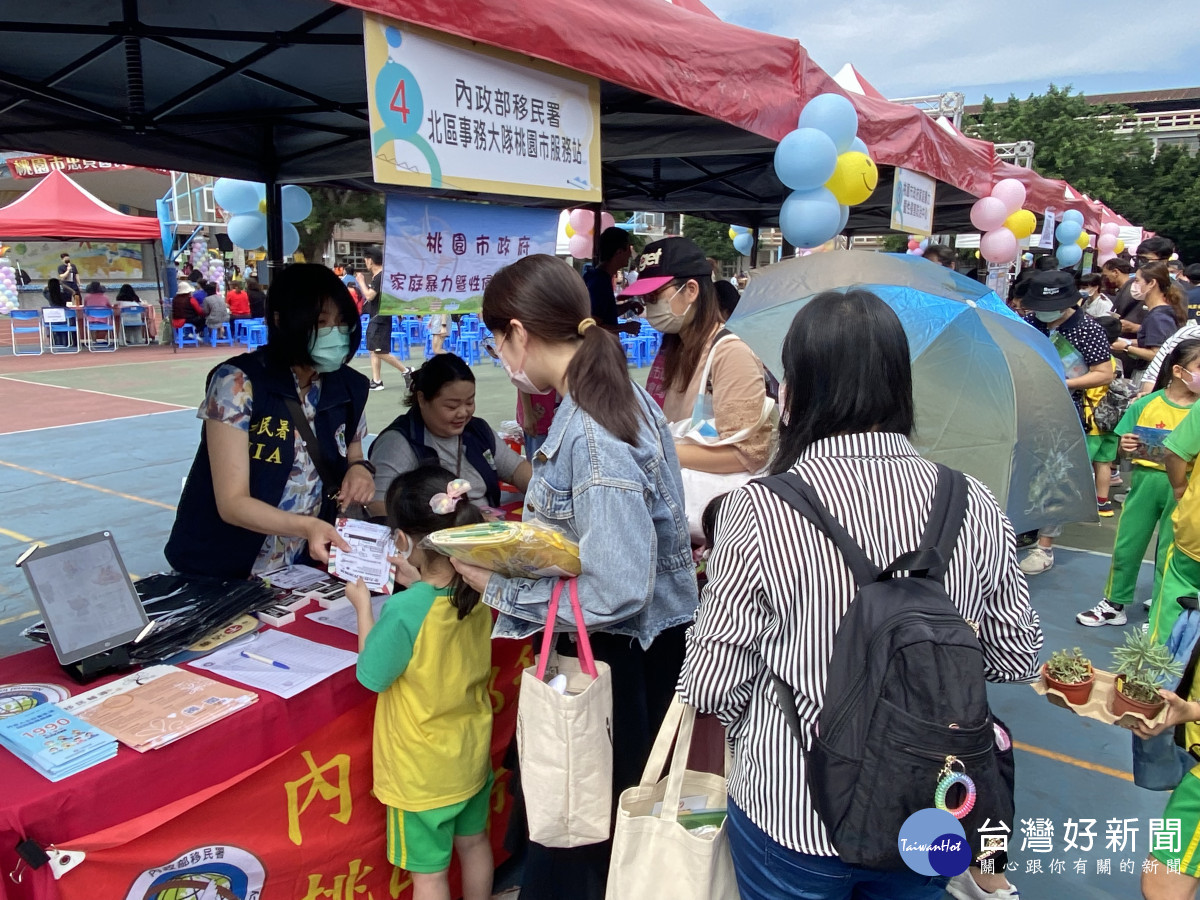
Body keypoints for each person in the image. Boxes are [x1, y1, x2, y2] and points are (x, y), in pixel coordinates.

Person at [677, 288, 1042, 900]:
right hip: (927, 806)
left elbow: (712, 681)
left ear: (795, 392)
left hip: (790, 809)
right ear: (900, 386)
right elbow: (1015, 656)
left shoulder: (758, 508)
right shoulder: (971, 502)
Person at [455, 253, 698, 900]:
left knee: (577, 845)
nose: (499, 354)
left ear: (518, 333)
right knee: (602, 840)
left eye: (496, 340)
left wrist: (496, 586)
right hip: (634, 655)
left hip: (617, 664)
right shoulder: (612, 400)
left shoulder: (593, 431)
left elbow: (617, 587)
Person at [164, 264, 372, 579]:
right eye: (321, 322)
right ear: (281, 321)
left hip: (300, 567)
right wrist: (307, 526)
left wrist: (359, 470)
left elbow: (353, 451)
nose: (335, 332)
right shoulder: (237, 383)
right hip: (225, 568)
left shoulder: (348, 387)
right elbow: (232, 503)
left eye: (342, 322)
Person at [346, 466, 494, 900]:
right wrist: (416, 581)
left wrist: (362, 608)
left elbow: (371, 674)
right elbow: (438, 601)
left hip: (420, 771)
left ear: (405, 539)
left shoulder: (405, 610)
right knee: (475, 843)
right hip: (469, 753)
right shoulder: (479, 593)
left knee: (429, 874)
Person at [619, 237, 773, 519]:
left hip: (714, 518)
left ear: (691, 290)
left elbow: (749, 454)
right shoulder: (673, 348)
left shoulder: (730, 353)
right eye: (643, 299)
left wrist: (660, 451)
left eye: (654, 297)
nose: (647, 307)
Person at [1078, 340, 1200, 628]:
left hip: (1185, 489)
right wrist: (1127, 446)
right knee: (1128, 544)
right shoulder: (1147, 403)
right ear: (1179, 370)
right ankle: (1114, 602)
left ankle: (1163, 609)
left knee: (1172, 551)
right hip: (1145, 482)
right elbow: (1122, 449)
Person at [1019, 270, 1115, 575]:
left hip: (1066, 412)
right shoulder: (1030, 323)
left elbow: (1104, 373)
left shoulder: (1088, 329)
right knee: (1026, 471)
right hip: (1028, 409)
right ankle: (1025, 527)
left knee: (1055, 476)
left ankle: (1045, 545)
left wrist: (1067, 383)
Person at [368, 353, 531, 515]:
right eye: (452, 407)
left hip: (491, 530)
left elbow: (517, 470)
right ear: (422, 399)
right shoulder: (398, 442)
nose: (463, 413)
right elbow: (379, 506)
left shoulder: (477, 430)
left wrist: (541, 493)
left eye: (469, 402)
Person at [1112, 262, 1189, 375]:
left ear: (1152, 283)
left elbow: (1156, 353)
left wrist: (1126, 347)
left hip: (1150, 374)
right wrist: (1123, 341)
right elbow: (1150, 342)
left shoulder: (1159, 316)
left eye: (1137, 280)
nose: (1134, 285)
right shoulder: (1158, 312)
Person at [357, 246, 412, 392]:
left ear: (371, 260)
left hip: (380, 318)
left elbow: (369, 296)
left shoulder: (380, 276)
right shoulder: (379, 276)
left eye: (366, 259)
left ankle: (406, 371)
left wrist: (361, 281)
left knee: (380, 350)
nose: (365, 262)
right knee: (373, 349)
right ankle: (376, 381)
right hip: (376, 316)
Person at [582, 227, 641, 336]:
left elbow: (606, 315)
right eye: (628, 248)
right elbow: (592, 326)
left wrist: (629, 305)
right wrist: (624, 327)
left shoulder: (595, 277)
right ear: (619, 252)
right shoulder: (600, 283)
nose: (629, 254)